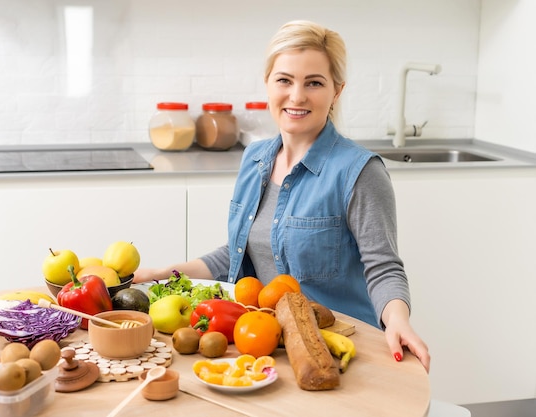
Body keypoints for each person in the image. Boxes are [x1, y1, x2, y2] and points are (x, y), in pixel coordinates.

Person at [134, 20, 431, 372]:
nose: (297, 96)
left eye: (314, 83)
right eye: (285, 80)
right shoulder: (254, 159)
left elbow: (383, 268)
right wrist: (163, 274)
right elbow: (238, 251)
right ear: (268, 85)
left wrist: (397, 319)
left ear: (337, 91)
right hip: (264, 344)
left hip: (338, 350)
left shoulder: (359, 171)